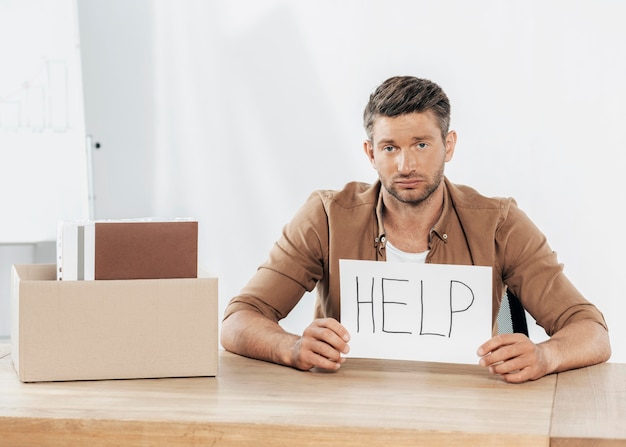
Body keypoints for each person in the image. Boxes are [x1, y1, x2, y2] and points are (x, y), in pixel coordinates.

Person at [221, 76, 611, 383]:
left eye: (422, 145)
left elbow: (591, 330)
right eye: (390, 147)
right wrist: (291, 348)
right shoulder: (325, 215)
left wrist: (545, 355)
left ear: (449, 145)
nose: (406, 164)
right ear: (370, 153)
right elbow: (238, 320)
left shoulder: (498, 222)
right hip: (349, 409)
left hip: (465, 409)